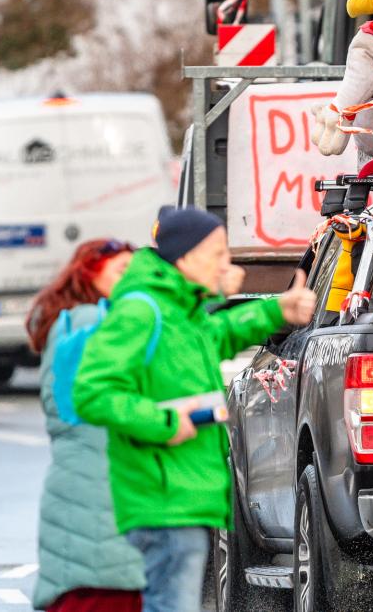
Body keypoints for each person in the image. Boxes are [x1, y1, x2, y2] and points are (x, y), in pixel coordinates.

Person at [73, 207, 317, 612]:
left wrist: (277, 311)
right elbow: (92, 391)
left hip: (182, 497)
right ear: (186, 258)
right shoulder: (142, 310)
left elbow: (217, 334)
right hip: (164, 501)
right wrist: (165, 423)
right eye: (217, 252)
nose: (226, 263)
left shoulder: (178, 310)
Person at [27, 239, 146, 612]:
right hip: (98, 495)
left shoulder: (75, 324)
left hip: (88, 491)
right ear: (89, 275)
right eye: (122, 272)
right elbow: (95, 407)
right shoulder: (90, 324)